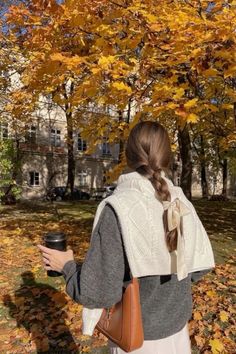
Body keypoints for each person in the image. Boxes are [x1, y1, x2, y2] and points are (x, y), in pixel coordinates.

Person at [38, 121, 215, 354]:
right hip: (177, 335)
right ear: (167, 156)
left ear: (128, 155)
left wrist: (67, 266)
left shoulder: (119, 208)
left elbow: (97, 293)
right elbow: (199, 267)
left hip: (137, 340)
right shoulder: (182, 203)